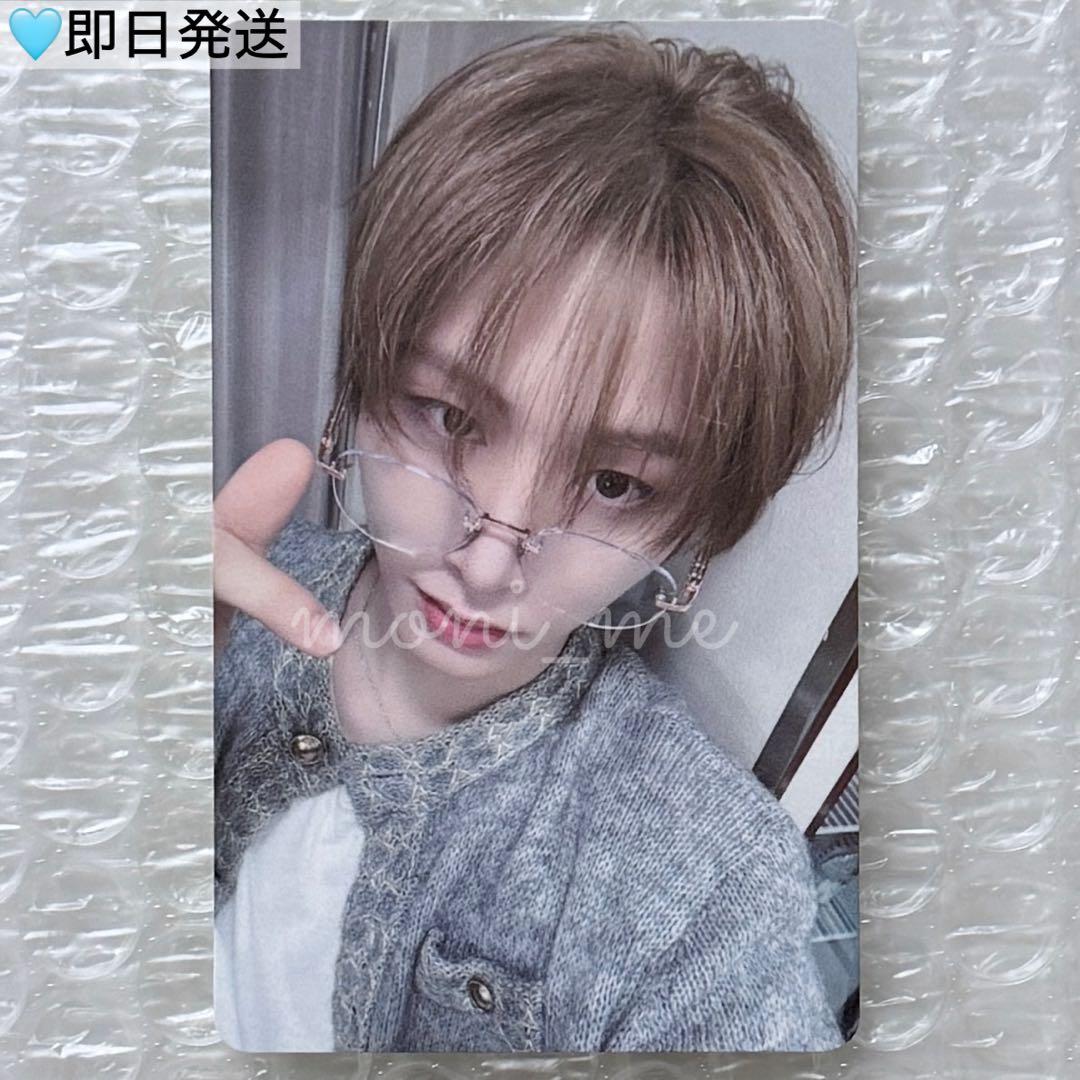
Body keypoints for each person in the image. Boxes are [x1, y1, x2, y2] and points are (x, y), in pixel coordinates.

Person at [212, 25, 857, 1053]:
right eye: (449, 417)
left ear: (694, 525)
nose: (485, 561)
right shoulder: (224, 617)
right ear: (362, 380)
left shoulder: (699, 883)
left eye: (615, 484)